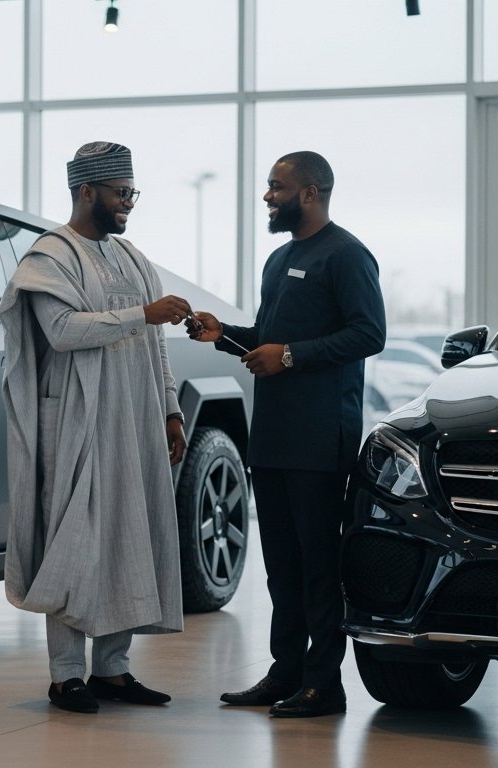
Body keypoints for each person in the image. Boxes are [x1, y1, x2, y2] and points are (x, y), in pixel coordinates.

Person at [189, 151, 385, 717]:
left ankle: (325, 683)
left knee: (318, 565)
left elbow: (369, 334)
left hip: (320, 440)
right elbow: (267, 342)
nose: (268, 195)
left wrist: (292, 356)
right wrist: (222, 333)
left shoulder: (347, 255)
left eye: (277, 187)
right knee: (281, 566)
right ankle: (287, 671)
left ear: (311, 192)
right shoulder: (279, 260)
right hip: (272, 439)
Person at [0, 141, 192, 714]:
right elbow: (61, 330)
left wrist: (170, 407)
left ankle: (112, 670)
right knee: (76, 544)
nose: (128, 202)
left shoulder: (131, 257)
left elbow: (155, 344)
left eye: (132, 192)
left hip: (133, 421)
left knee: (126, 535)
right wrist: (141, 315)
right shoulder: (50, 256)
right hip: (77, 422)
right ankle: (65, 676)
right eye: (120, 192)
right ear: (87, 191)